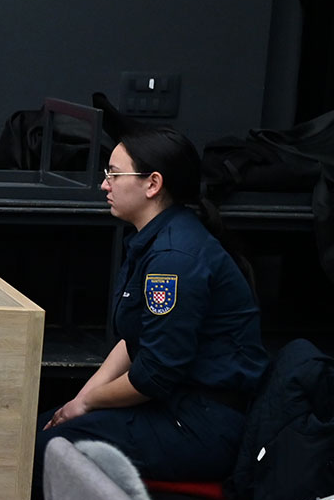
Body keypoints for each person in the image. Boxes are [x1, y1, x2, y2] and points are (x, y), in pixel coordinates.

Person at [38, 127, 267, 481]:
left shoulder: (173, 258)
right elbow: (134, 342)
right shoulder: (155, 238)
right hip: (173, 405)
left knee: (45, 451)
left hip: (199, 424)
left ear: (153, 184)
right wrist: (79, 400)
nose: (104, 184)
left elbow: (154, 377)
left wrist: (87, 403)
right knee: (37, 429)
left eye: (114, 174)